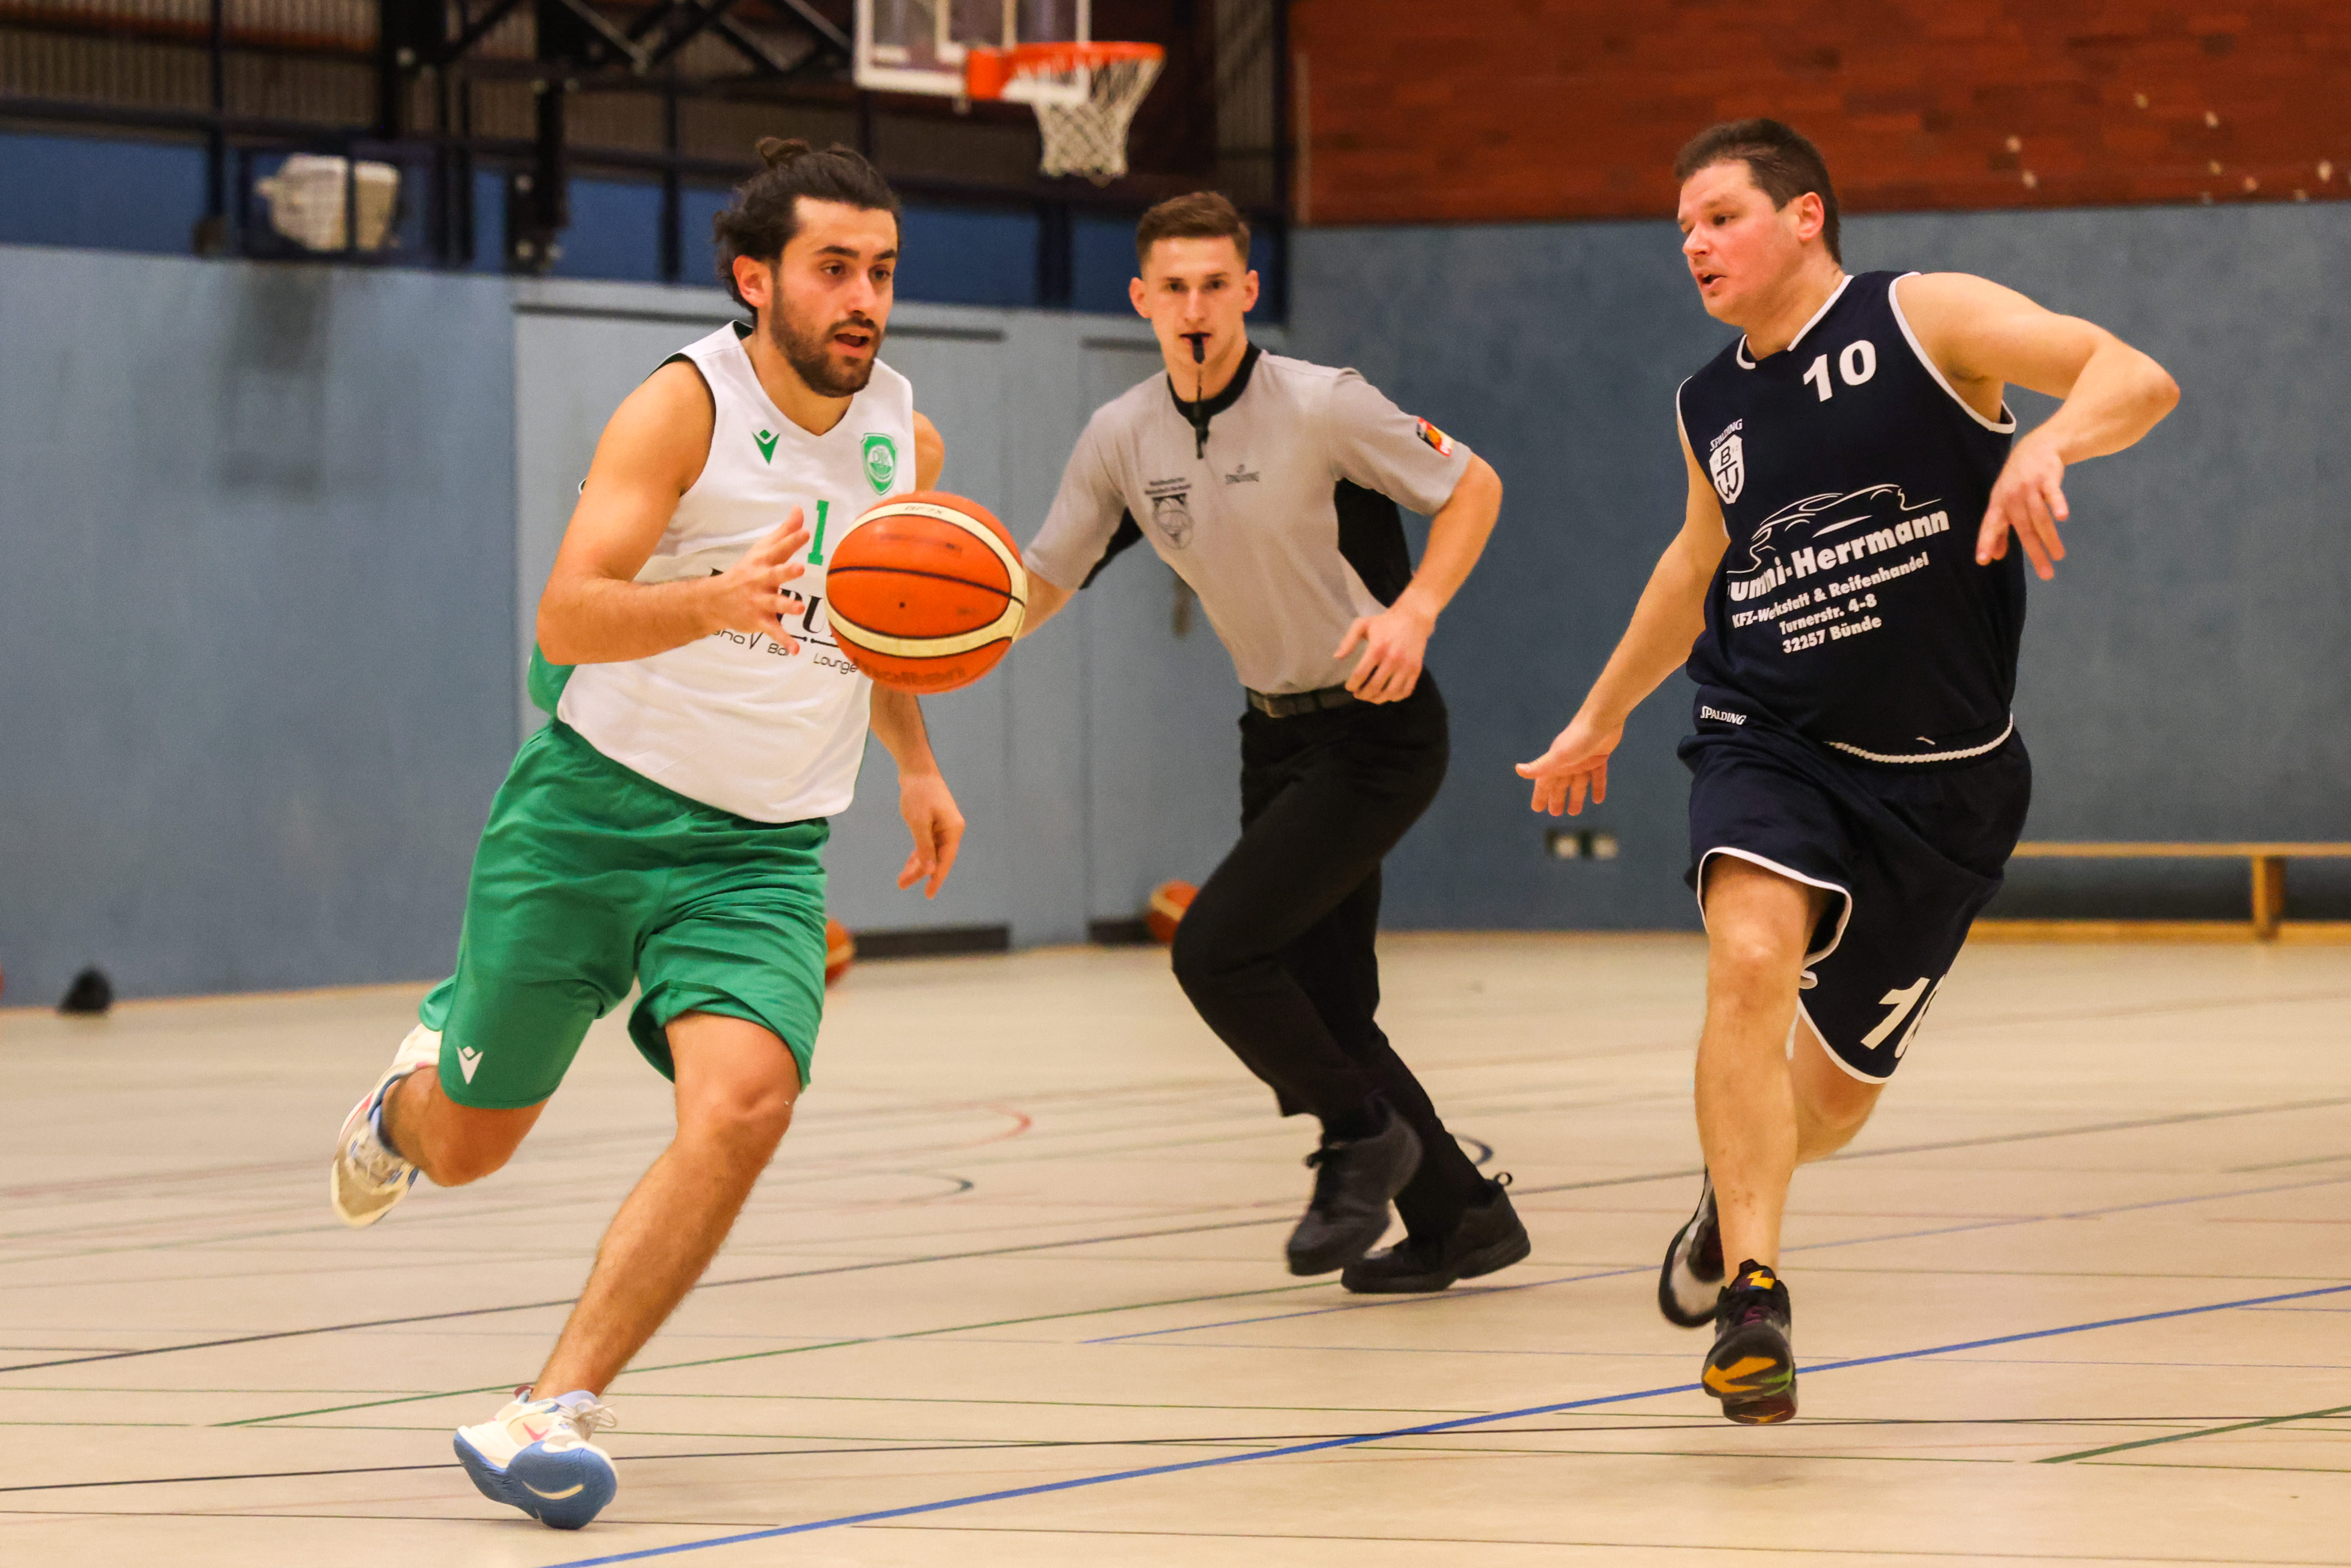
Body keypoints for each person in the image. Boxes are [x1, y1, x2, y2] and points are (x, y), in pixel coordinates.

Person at [326, 139, 966, 1529]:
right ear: (756, 278)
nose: (865, 298)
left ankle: (548, 1407)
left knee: (747, 1101)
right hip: (591, 814)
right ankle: (402, 1104)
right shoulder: (681, 408)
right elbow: (566, 616)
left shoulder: (905, 439)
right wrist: (710, 601)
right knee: (471, 1146)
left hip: (761, 851)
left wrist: (916, 761)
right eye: (834, 268)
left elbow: (887, 620)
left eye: (882, 271)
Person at [1518, 119, 2177, 1423]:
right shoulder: (1709, 403)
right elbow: (1696, 561)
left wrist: (2052, 442)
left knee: (1825, 1103)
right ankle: (1755, 1301)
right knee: (1750, 957)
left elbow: (2136, 375)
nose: (1695, 244)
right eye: (1683, 227)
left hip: (1949, 785)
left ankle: (1730, 1200)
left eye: (1720, 216)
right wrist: (1600, 714)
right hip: (1770, 735)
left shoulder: (1925, 317)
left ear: (1805, 214)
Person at [1018, 192, 1524, 1293]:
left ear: (1248, 291)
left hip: (1379, 729)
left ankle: (1360, 1136)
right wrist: (939, 640)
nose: (1195, 307)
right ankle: (1461, 1218)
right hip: (1274, 733)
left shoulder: (1323, 403)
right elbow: (1043, 577)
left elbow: (1473, 485)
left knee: (1217, 951)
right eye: (1174, 288)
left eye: (1216, 285)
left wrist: (1416, 610)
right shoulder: (1121, 436)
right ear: (1141, 299)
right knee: (1330, 1004)